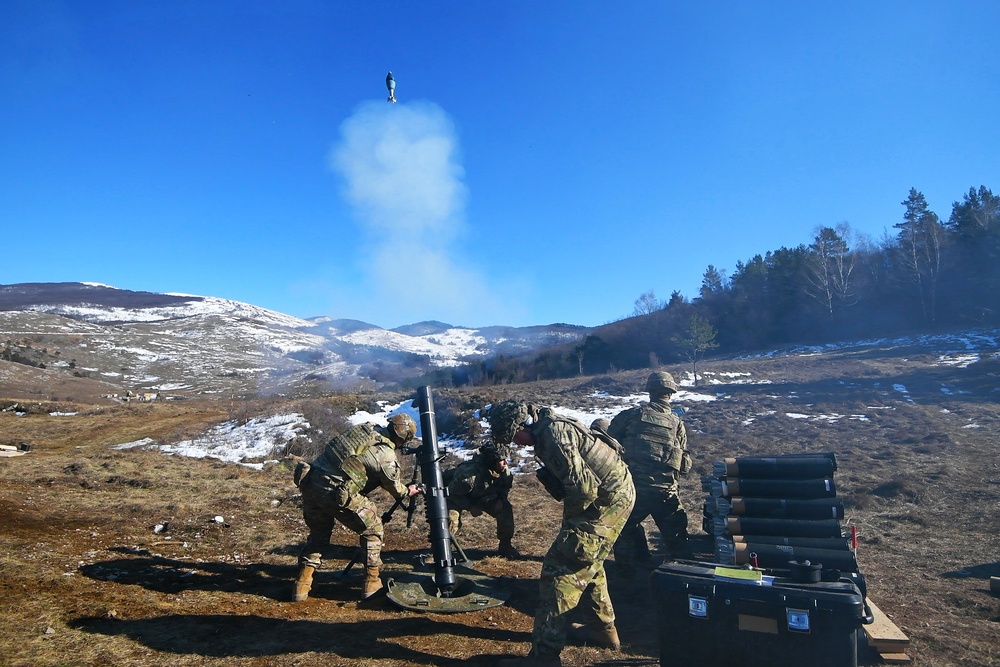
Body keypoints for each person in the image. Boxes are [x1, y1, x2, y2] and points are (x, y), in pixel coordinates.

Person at [490, 400, 635, 667]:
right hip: (614, 497)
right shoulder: (548, 430)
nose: (516, 443)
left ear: (524, 425)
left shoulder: (554, 435)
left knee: (559, 572)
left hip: (605, 503)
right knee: (589, 562)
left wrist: (570, 526)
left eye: (514, 436)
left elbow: (584, 489)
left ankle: (544, 657)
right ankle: (603, 632)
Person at [292, 413, 423, 601]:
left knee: (318, 536)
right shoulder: (385, 454)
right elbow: (394, 487)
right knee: (373, 528)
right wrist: (407, 491)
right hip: (336, 493)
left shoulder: (364, 430)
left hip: (312, 484)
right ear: (403, 439)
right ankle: (371, 582)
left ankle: (301, 586)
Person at [607, 371, 692, 570]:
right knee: (678, 539)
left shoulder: (631, 416)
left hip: (633, 490)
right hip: (665, 492)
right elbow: (685, 464)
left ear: (650, 392)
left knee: (625, 528)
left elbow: (608, 440)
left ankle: (628, 571)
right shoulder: (677, 423)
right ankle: (683, 574)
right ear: (670, 393)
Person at [443, 442, 520, 558]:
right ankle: (439, 551)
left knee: (505, 509)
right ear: (491, 461)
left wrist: (501, 498)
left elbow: (505, 486)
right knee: (450, 520)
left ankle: (505, 547)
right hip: (457, 497)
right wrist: (470, 507)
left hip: (481, 496)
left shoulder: (504, 471)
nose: (506, 463)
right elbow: (451, 495)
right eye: (502, 460)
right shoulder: (468, 476)